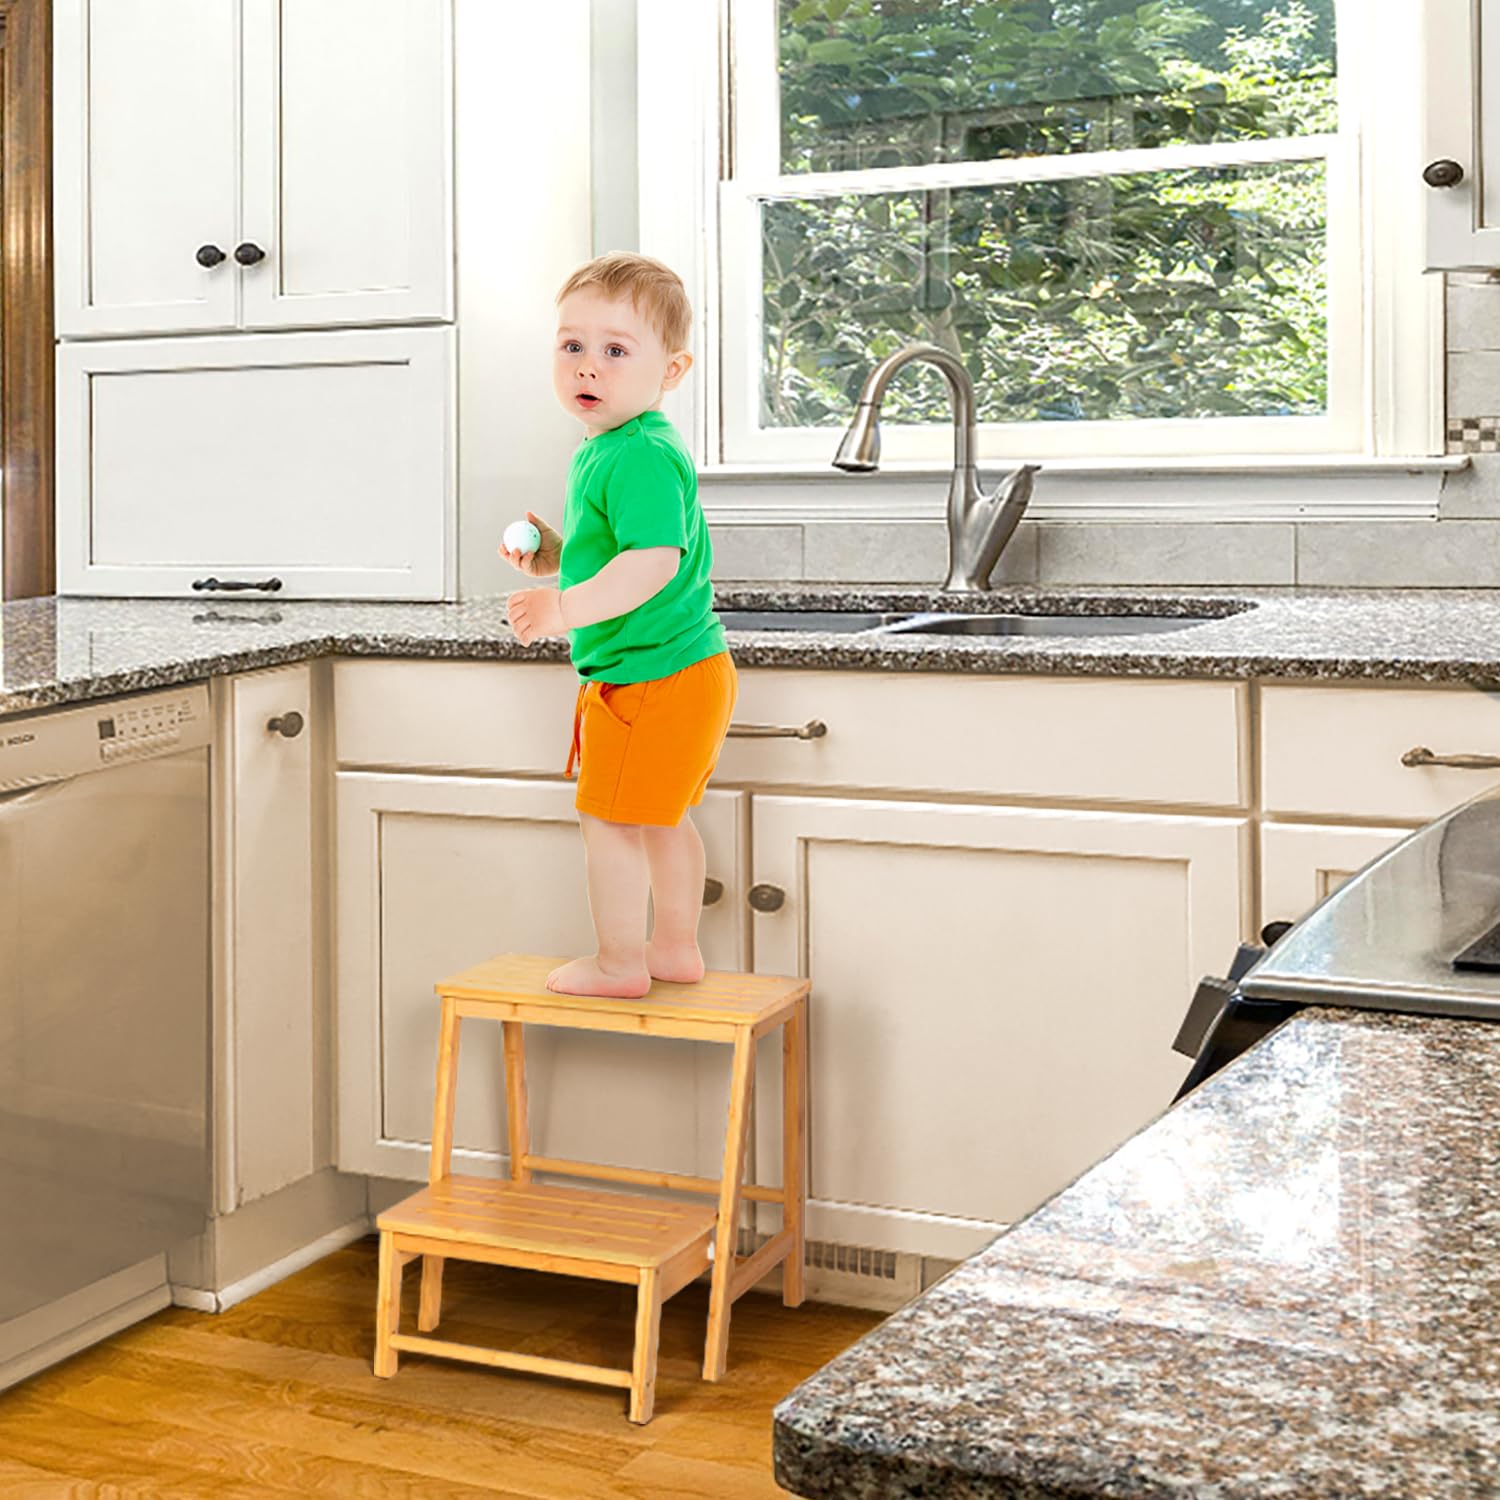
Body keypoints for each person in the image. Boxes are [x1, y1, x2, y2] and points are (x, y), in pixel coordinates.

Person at [499, 252, 737, 998]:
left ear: (672, 369)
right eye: (572, 346)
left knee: (610, 825)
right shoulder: (615, 448)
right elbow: (618, 556)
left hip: (649, 678)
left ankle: (620, 963)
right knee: (661, 820)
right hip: (680, 672)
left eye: (614, 350)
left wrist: (561, 610)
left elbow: (652, 567)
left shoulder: (634, 455)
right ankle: (673, 950)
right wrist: (556, 564)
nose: (587, 368)